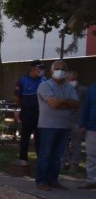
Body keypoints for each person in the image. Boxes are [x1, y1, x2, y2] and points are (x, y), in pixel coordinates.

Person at [34, 60, 79, 191]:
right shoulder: (45, 86)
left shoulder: (69, 87)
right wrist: (66, 101)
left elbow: (76, 104)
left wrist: (61, 101)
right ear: (52, 71)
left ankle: (53, 179)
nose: (60, 71)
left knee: (57, 155)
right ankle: (41, 181)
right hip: (48, 125)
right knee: (46, 154)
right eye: (57, 68)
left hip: (64, 125)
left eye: (63, 69)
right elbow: (53, 104)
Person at [15, 60, 46, 161]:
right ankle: (22, 159)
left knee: (40, 138)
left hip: (40, 112)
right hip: (27, 111)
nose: (41, 70)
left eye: (42, 68)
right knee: (25, 136)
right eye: (39, 68)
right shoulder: (23, 80)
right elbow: (17, 97)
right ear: (33, 69)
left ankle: (40, 160)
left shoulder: (44, 80)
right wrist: (19, 109)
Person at [62, 70, 87, 172]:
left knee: (76, 145)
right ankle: (63, 163)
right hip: (64, 120)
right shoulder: (63, 89)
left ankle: (74, 165)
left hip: (77, 121)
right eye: (68, 79)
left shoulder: (83, 90)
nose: (70, 81)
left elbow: (86, 106)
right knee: (63, 144)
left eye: (72, 79)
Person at [78, 81, 96, 190]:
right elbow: (85, 107)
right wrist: (82, 124)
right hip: (92, 128)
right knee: (91, 155)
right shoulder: (92, 89)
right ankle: (91, 180)